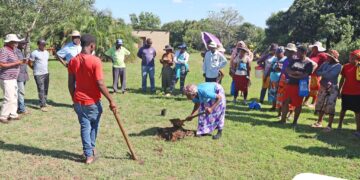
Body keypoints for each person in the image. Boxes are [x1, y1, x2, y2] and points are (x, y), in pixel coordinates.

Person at [68, 34, 117, 164]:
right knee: (92, 126)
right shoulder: (95, 61)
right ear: (92, 46)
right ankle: (89, 154)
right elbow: (100, 83)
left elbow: (70, 83)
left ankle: (90, 150)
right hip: (93, 102)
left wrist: (74, 99)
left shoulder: (73, 61)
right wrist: (111, 100)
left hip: (79, 101)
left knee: (86, 126)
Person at [279, 45, 313, 125]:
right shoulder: (294, 60)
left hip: (301, 86)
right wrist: (295, 73)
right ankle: (283, 120)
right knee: (285, 101)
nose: (296, 53)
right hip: (290, 84)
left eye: (298, 51)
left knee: (298, 104)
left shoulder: (308, 63)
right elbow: (287, 70)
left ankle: (295, 121)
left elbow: (305, 75)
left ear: (304, 53)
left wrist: (293, 74)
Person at [311, 50, 342, 131]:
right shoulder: (325, 63)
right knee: (320, 103)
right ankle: (319, 122)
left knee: (330, 105)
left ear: (333, 58)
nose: (327, 57)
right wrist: (325, 72)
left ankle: (329, 125)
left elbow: (331, 75)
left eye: (329, 56)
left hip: (332, 88)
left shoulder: (338, 66)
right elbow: (317, 72)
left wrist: (323, 73)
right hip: (323, 86)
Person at [0, 34, 27, 123]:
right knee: (9, 97)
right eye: (14, 42)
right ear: (9, 42)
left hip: (13, 77)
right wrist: (16, 63)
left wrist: (21, 62)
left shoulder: (13, 50)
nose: (16, 43)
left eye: (16, 41)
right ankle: (3, 116)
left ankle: (13, 114)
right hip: (6, 78)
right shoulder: (4, 51)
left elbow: (15, 61)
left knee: (14, 96)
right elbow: (2, 64)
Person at [337, 50, 360, 137]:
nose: (350, 58)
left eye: (352, 57)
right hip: (346, 92)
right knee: (343, 109)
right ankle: (339, 125)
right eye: (350, 57)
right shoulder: (346, 66)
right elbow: (342, 79)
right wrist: (339, 90)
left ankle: (358, 130)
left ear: (357, 58)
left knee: (357, 112)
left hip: (358, 93)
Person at [303, 41, 327, 107]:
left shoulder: (322, 55)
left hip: (316, 74)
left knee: (316, 88)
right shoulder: (312, 54)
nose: (314, 49)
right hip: (311, 73)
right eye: (313, 47)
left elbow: (315, 61)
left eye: (315, 47)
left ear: (318, 48)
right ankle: (305, 101)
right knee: (310, 88)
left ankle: (314, 103)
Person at [276, 43, 297, 118]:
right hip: (283, 80)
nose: (286, 52)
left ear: (292, 52)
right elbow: (282, 71)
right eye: (287, 50)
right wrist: (279, 80)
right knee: (280, 97)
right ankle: (279, 113)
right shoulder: (285, 60)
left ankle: (290, 114)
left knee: (291, 98)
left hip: (291, 81)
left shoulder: (295, 61)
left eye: (288, 51)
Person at [29, 39, 50, 112]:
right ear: (38, 45)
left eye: (45, 45)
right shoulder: (34, 53)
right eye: (42, 45)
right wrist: (34, 68)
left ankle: (44, 101)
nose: (44, 46)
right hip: (38, 74)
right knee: (41, 89)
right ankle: (42, 105)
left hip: (46, 73)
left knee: (46, 89)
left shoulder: (47, 52)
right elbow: (30, 62)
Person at [15, 38, 30, 114]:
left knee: (20, 92)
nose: (25, 45)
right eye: (23, 43)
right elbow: (15, 62)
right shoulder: (15, 51)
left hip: (23, 74)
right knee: (21, 92)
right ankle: (21, 109)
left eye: (25, 43)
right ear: (18, 43)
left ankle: (19, 107)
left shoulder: (21, 51)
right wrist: (23, 61)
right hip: (19, 75)